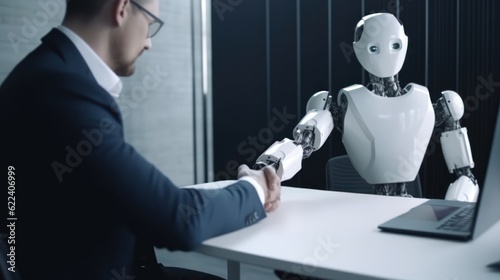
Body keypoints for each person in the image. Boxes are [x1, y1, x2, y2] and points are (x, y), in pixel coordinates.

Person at [0, 0, 281, 279]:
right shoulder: (62, 90)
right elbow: (179, 219)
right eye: (150, 24)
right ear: (122, 9)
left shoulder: (42, 73)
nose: (148, 43)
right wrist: (254, 188)